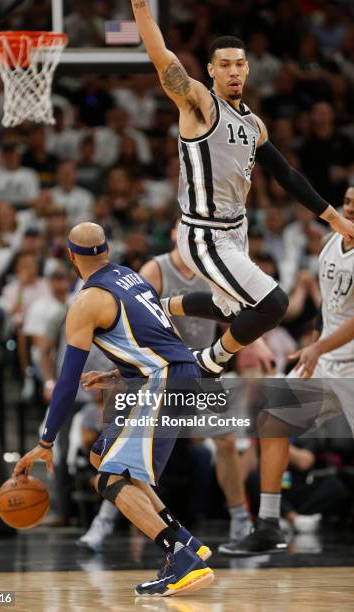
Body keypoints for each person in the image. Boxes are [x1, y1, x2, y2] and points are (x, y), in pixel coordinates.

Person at [130, 0, 354, 554]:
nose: (233, 69)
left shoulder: (252, 122)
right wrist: (140, 8)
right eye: (224, 63)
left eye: (240, 63)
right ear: (209, 70)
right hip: (203, 232)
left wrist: (332, 215)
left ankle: (173, 308)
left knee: (242, 315)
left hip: (237, 233)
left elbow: (285, 173)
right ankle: (207, 364)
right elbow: (161, 58)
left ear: (248, 69)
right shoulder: (198, 102)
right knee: (275, 305)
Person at [13, 222, 214, 597]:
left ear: (72, 257)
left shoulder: (86, 302)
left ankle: (180, 557)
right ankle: (186, 540)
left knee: (108, 479)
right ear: (105, 250)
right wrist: (116, 373)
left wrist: (45, 440)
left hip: (162, 382)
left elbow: (67, 380)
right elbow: (161, 339)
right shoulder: (131, 278)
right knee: (101, 454)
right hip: (179, 374)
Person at [78, 219, 257, 552]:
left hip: (201, 371)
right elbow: (136, 329)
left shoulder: (213, 272)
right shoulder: (154, 270)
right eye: (183, 231)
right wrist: (119, 374)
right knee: (119, 454)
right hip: (159, 372)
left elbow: (242, 315)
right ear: (176, 234)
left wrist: (256, 345)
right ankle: (104, 521)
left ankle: (239, 520)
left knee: (227, 440)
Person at [224, 185, 354, 556]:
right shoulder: (331, 243)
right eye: (346, 203)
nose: (349, 210)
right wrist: (316, 342)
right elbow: (328, 308)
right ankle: (268, 524)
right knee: (272, 419)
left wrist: (317, 346)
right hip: (326, 361)